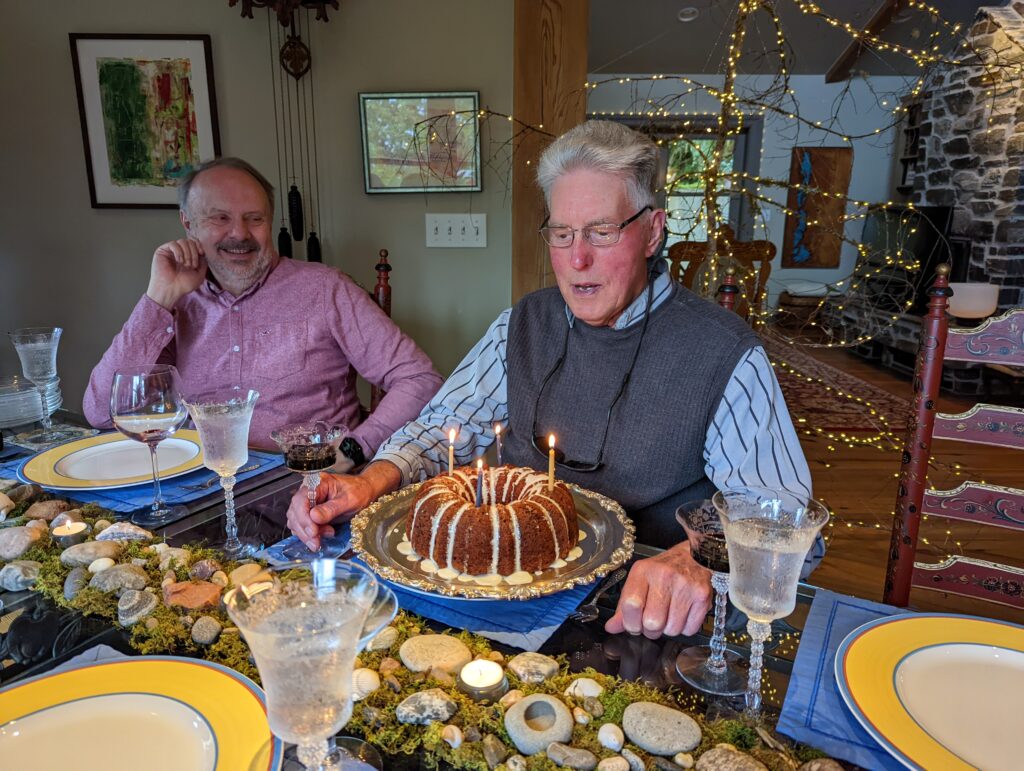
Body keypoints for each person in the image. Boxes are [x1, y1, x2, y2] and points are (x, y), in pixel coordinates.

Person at [286, 121, 821, 638]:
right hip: (507, 588)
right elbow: (446, 426)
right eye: (561, 234)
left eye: (602, 232)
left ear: (654, 230)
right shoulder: (520, 324)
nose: (577, 259)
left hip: (638, 614)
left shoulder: (723, 351)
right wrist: (369, 480)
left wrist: (698, 559)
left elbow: (784, 520)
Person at [83, 157, 443, 459]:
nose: (239, 234)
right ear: (187, 223)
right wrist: (158, 299)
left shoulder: (325, 289)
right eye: (219, 218)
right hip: (198, 487)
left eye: (254, 219)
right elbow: (101, 413)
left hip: (307, 485)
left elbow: (420, 379)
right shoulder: (177, 301)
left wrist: (354, 448)